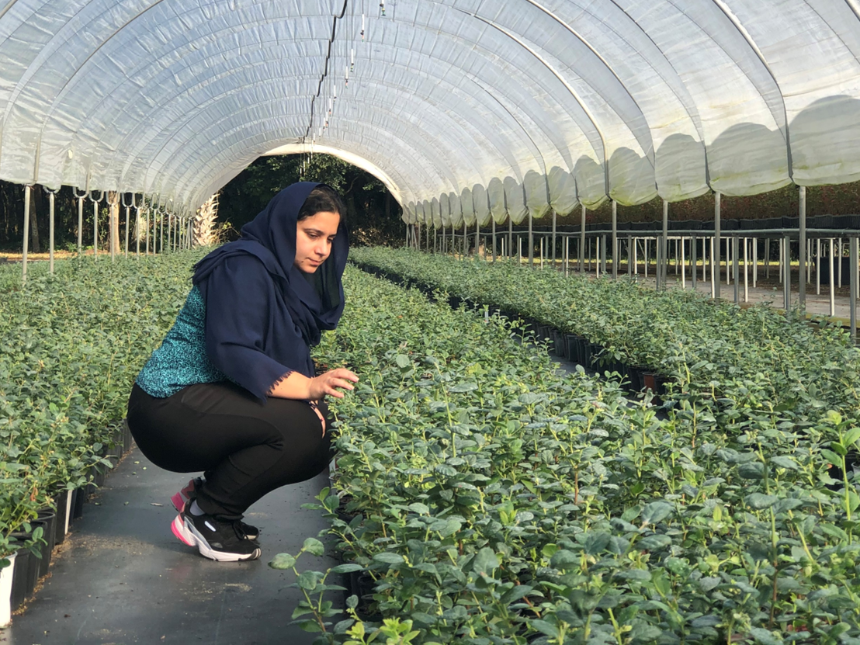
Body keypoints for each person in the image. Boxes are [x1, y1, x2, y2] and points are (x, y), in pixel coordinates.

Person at [126, 182, 359, 562]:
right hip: (167, 406)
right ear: (285, 226)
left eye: (330, 239)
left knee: (317, 430)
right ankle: (208, 515)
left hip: (205, 399)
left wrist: (311, 395)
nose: (322, 249)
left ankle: (208, 500)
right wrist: (309, 387)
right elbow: (232, 351)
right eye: (312, 234)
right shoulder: (243, 265)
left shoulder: (279, 272)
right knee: (300, 429)